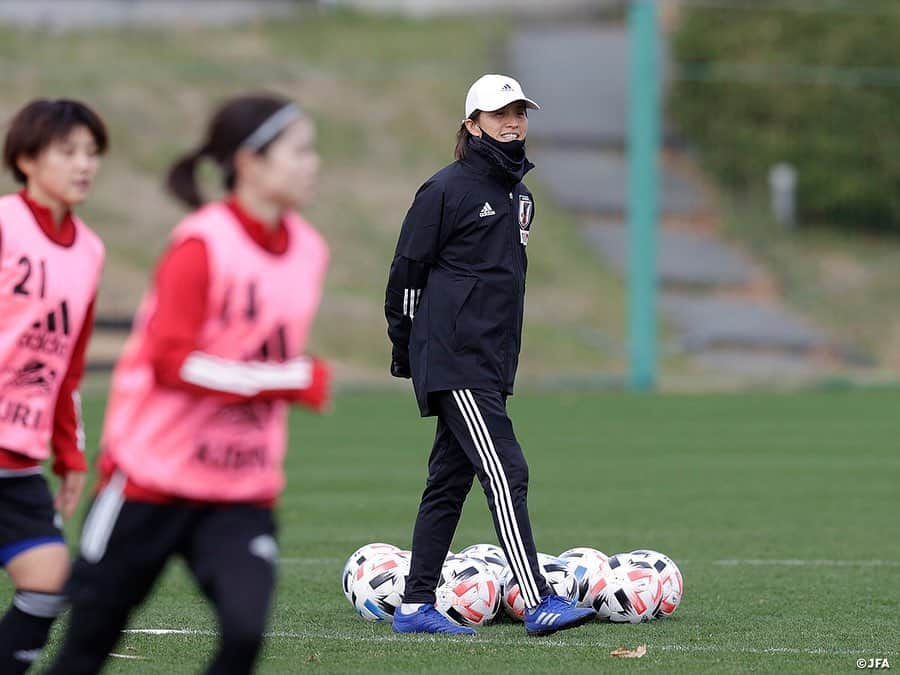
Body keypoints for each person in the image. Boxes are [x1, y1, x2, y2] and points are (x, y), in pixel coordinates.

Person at [45, 93, 331, 675]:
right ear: (249, 163)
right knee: (84, 651)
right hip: (149, 481)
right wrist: (288, 379)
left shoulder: (309, 251)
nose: (313, 163)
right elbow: (171, 362)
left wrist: (278, 377)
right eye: (299, 150)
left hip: (238, 490)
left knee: (245, 634)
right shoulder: (203, 243)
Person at [384, 74, 596, 637]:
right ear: (472, 124)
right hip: (454, 358)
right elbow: (407, 274)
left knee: (447, 482)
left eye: (521, 112)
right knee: (507, 470)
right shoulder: (444, 190)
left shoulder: (519, 196)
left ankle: (414, 607)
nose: (513, 121)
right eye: (501, 113)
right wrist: (407, 350)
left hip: (489, 361)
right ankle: (538, 600)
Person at [0, 99, 107, 673]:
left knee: (47, 584)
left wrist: (69, 451)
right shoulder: (3, 223)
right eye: (67, 152)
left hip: (17, 455)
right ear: (26, 158)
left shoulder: (89, 250)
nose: (84, 164)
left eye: (91, 153)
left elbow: (68, 363)